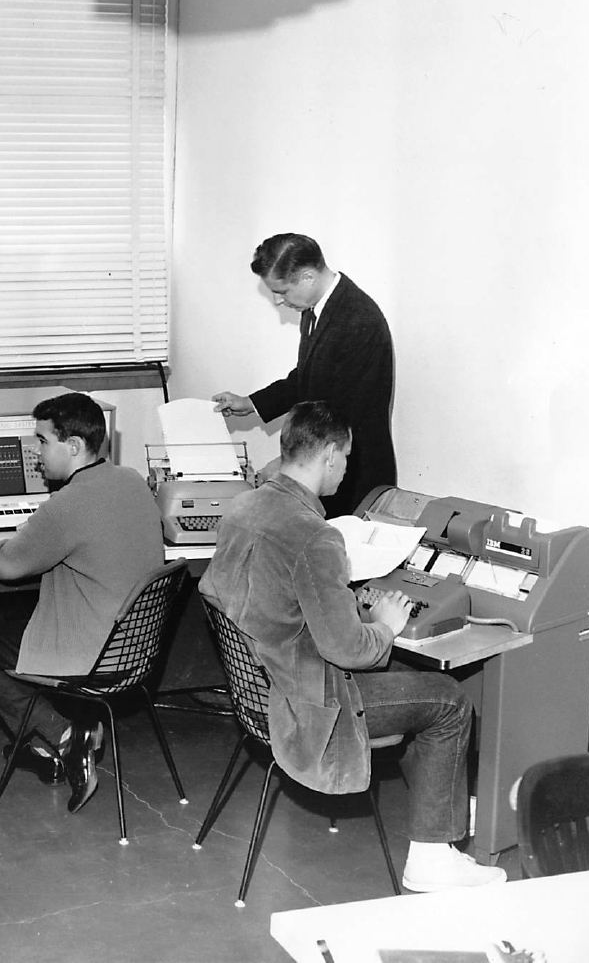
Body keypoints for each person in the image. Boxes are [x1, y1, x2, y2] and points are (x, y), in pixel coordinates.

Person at [199, 400, 506, 892]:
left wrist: (343, 600)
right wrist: (383, 624)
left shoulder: (244, 507)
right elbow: (349, 651)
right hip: (313, 703)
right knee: (448, 699)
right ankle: (430, 857)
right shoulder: (314, 535)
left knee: (418, 688)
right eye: (345, 457)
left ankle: (440, 807)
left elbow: (246, 593)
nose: (347, 466)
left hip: (260, 685)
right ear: (329, 455)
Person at [0, 392, 165, 814]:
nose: (35, 453)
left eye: (42, 441)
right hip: (135, 645)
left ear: (73, 446)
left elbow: (6, 563)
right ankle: (55, 739)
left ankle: (63, 735)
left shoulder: (68, 504)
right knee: (9, 614)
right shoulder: (131, 481)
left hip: (90, 652)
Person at [212, 233, 395, 518]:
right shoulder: (316, 311)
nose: (278, 301)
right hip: (328, 465)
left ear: (308, 276)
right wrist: (250, 402)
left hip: (353, 476)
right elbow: (308, 377)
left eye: (282, 291)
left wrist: (290, 465)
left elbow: (339, 413)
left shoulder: (359, 320)